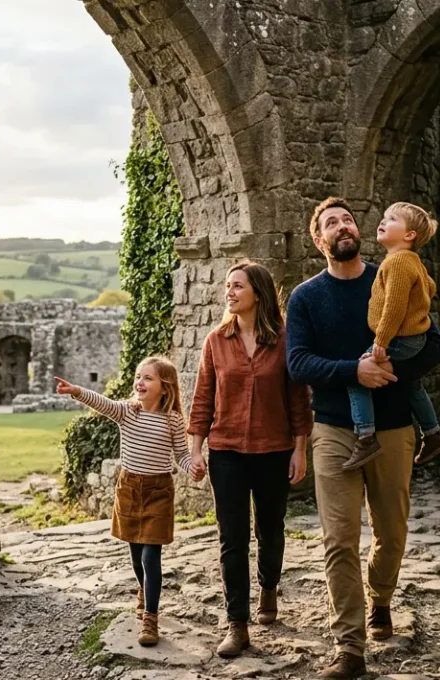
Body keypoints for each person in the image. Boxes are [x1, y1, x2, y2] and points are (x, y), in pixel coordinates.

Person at [286, 196, 440, 679]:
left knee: (392, 533)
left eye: (348, 219)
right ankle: (349, 646)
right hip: (334, 428)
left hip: (395, 425)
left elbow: (432, 344)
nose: (343, 227)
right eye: (331, 223)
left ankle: (380, 597)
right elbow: (298, 364)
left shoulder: (394, 274)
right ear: (320, 241)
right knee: (338, 538)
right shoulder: (306, 297)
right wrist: (354, 370)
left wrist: (387, 369)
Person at [186, 261, 313, 659]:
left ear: (257, 292)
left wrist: (300, 448)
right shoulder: (215, 341)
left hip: (274, 449)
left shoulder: (284, 340)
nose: (230, 292)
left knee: (271, 529)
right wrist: (195, 448)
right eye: (227, 286)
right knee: (232, 537)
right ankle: (236, 623)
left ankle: (269, 588)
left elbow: (297, 399)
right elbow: (203, 397)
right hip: (226, 453)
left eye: (237, 286)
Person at [55, 357, 199, 648]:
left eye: (148, 378)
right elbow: (103, 403)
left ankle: (150, 617)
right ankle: (143, 590)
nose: (140, 382)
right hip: (130, 490)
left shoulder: (172, 418)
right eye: (138, 376)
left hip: (159, 492)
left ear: (164, 387)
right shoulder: (128, 412)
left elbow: (181, 454)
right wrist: (77, 391)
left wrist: (192, 466)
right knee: (136, 557)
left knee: (150, 557)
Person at [343, 201, 440, 470]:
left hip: (399, 339)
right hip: (413, 338)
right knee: (410, 381)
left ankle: (366, 437)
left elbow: (394, 305)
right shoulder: (411, 261)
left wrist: (381, 342)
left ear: (409, 236)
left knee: (359, 375)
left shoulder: (399, 262)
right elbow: (430, 285)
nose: (382, 221)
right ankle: (432, 433)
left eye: (391, 219)